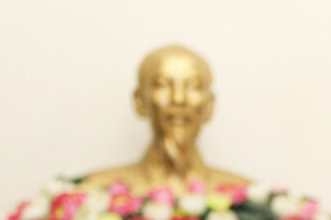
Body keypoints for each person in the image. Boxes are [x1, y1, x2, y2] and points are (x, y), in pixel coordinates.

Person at [82, 45, 248, 195]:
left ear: (210, 105)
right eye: (162, 85)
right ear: (139, 101)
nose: (178, 99)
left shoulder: (245, 195)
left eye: (193, 86)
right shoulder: (96, 192)